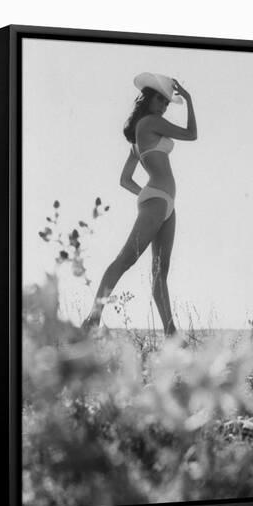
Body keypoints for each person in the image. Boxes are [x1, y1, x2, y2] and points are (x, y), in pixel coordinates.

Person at [82, 72, 197, 337]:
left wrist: (144, 193)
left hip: (164, 203)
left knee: (160, 274)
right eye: (162, 100)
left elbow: (125, 179)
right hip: (157, 199)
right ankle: (93, 318)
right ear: (148, 99)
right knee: (126, 259)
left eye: (168, 103)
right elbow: (192, 134)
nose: (165, 106)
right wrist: (188, 98)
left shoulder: (137, 137)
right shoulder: (149, 122)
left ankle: (171, 334)